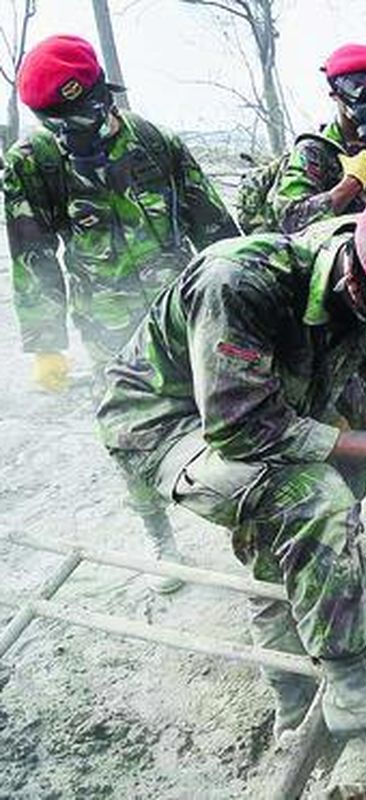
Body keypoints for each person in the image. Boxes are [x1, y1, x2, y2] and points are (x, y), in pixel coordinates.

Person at [96, 191, 366, 739]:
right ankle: (347, 692)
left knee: (335, 495)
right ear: (357, 286)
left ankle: (327, 623)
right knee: (308, 498)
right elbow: (239, 428)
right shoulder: (239, 283)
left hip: (276, 398)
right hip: (167, 425)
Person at [3, 34, 239, 593]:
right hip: (109, 325)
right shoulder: (34, 164)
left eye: (75, 118)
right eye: (54, 123)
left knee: (225, 410)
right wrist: (46, 343)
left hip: (181, 312)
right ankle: (159, 533)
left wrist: (243, 301)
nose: (67, 134)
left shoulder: (155, 143)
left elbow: (214, 226)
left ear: (99, 98)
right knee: (128, 435)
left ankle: (244, 516)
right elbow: (32, 253)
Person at [272, 43, 366, 234]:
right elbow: (289, 219)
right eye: (356, 87)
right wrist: (350, 184)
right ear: (335, 95)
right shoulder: (314, 151)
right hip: (334, 260)